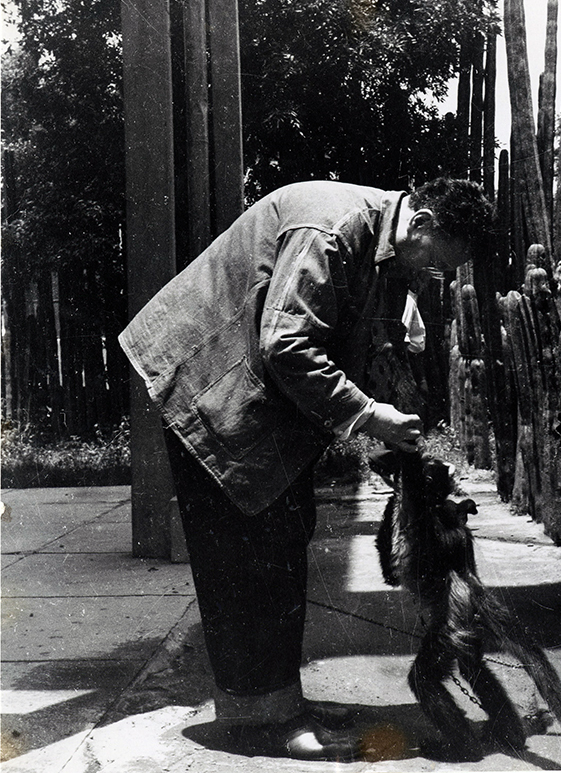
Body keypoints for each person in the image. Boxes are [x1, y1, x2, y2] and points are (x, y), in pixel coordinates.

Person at [118, 177, 494, 761]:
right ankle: (259, 723)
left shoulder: (378, 244)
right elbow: (287, 346)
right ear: (420, 223)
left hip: (245, 383)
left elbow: (348, 347)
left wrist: (387, 438)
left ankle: (277, 705)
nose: (426, 278)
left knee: (285, 534)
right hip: (203, 374)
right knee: (250, 554)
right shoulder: (333, 230)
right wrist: (370, 417)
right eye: (433, 263)